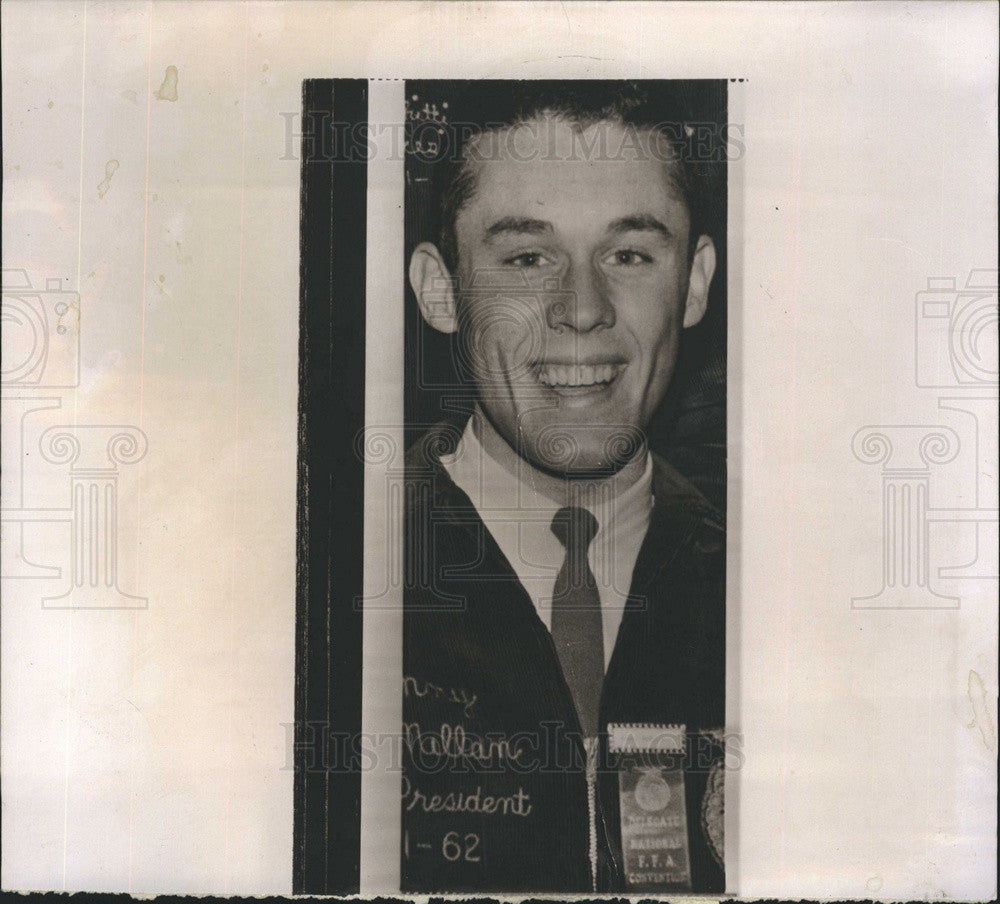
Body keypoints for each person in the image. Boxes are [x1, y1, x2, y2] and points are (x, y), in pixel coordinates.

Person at [401, 82, 726, 893]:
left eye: (629, 255)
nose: (581, 310)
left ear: (693, 282)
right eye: (526, 258)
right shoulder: (330, 576)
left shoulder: (784, 587)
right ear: (442, 290)